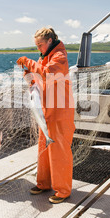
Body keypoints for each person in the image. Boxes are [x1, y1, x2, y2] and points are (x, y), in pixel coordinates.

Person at [16, 27, 75, 204]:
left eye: (40, 45)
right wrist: (30, 77)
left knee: (60, 151)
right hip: (47, 110)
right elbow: (41, 77)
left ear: (49, 41)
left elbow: (48, 72)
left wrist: (28, 62)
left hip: (60, 110)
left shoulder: (60, 56)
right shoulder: (44, 56)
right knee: (44, 148)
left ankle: (63, 190)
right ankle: (44, 183)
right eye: (36, 46)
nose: (38, 49)